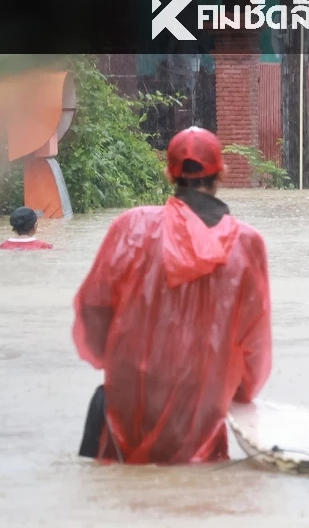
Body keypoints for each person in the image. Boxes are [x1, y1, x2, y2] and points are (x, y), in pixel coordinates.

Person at [73, 127, 272, 465]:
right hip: (202, 417)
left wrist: (121, 365)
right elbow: (255, 342)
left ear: (168, 173)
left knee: (120, 500)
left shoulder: (130, 227)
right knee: (198, 500)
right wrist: (237, 394)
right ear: (222, 173)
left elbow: (93, 310)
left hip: (129, 405)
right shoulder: (247, 244)